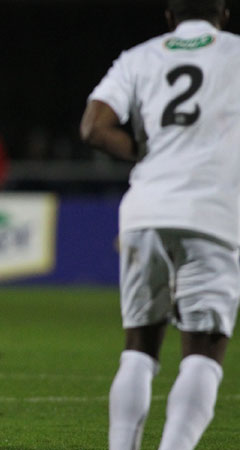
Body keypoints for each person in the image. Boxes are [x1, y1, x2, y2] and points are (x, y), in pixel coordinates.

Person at [79, 1, 240, 449]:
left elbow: (93, 127)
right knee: (203, 354)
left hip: (145, 209)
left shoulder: (139, 57)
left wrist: (149, 156)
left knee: (139, 348)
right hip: (212, 214)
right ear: (224, 14)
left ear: (170, 17)